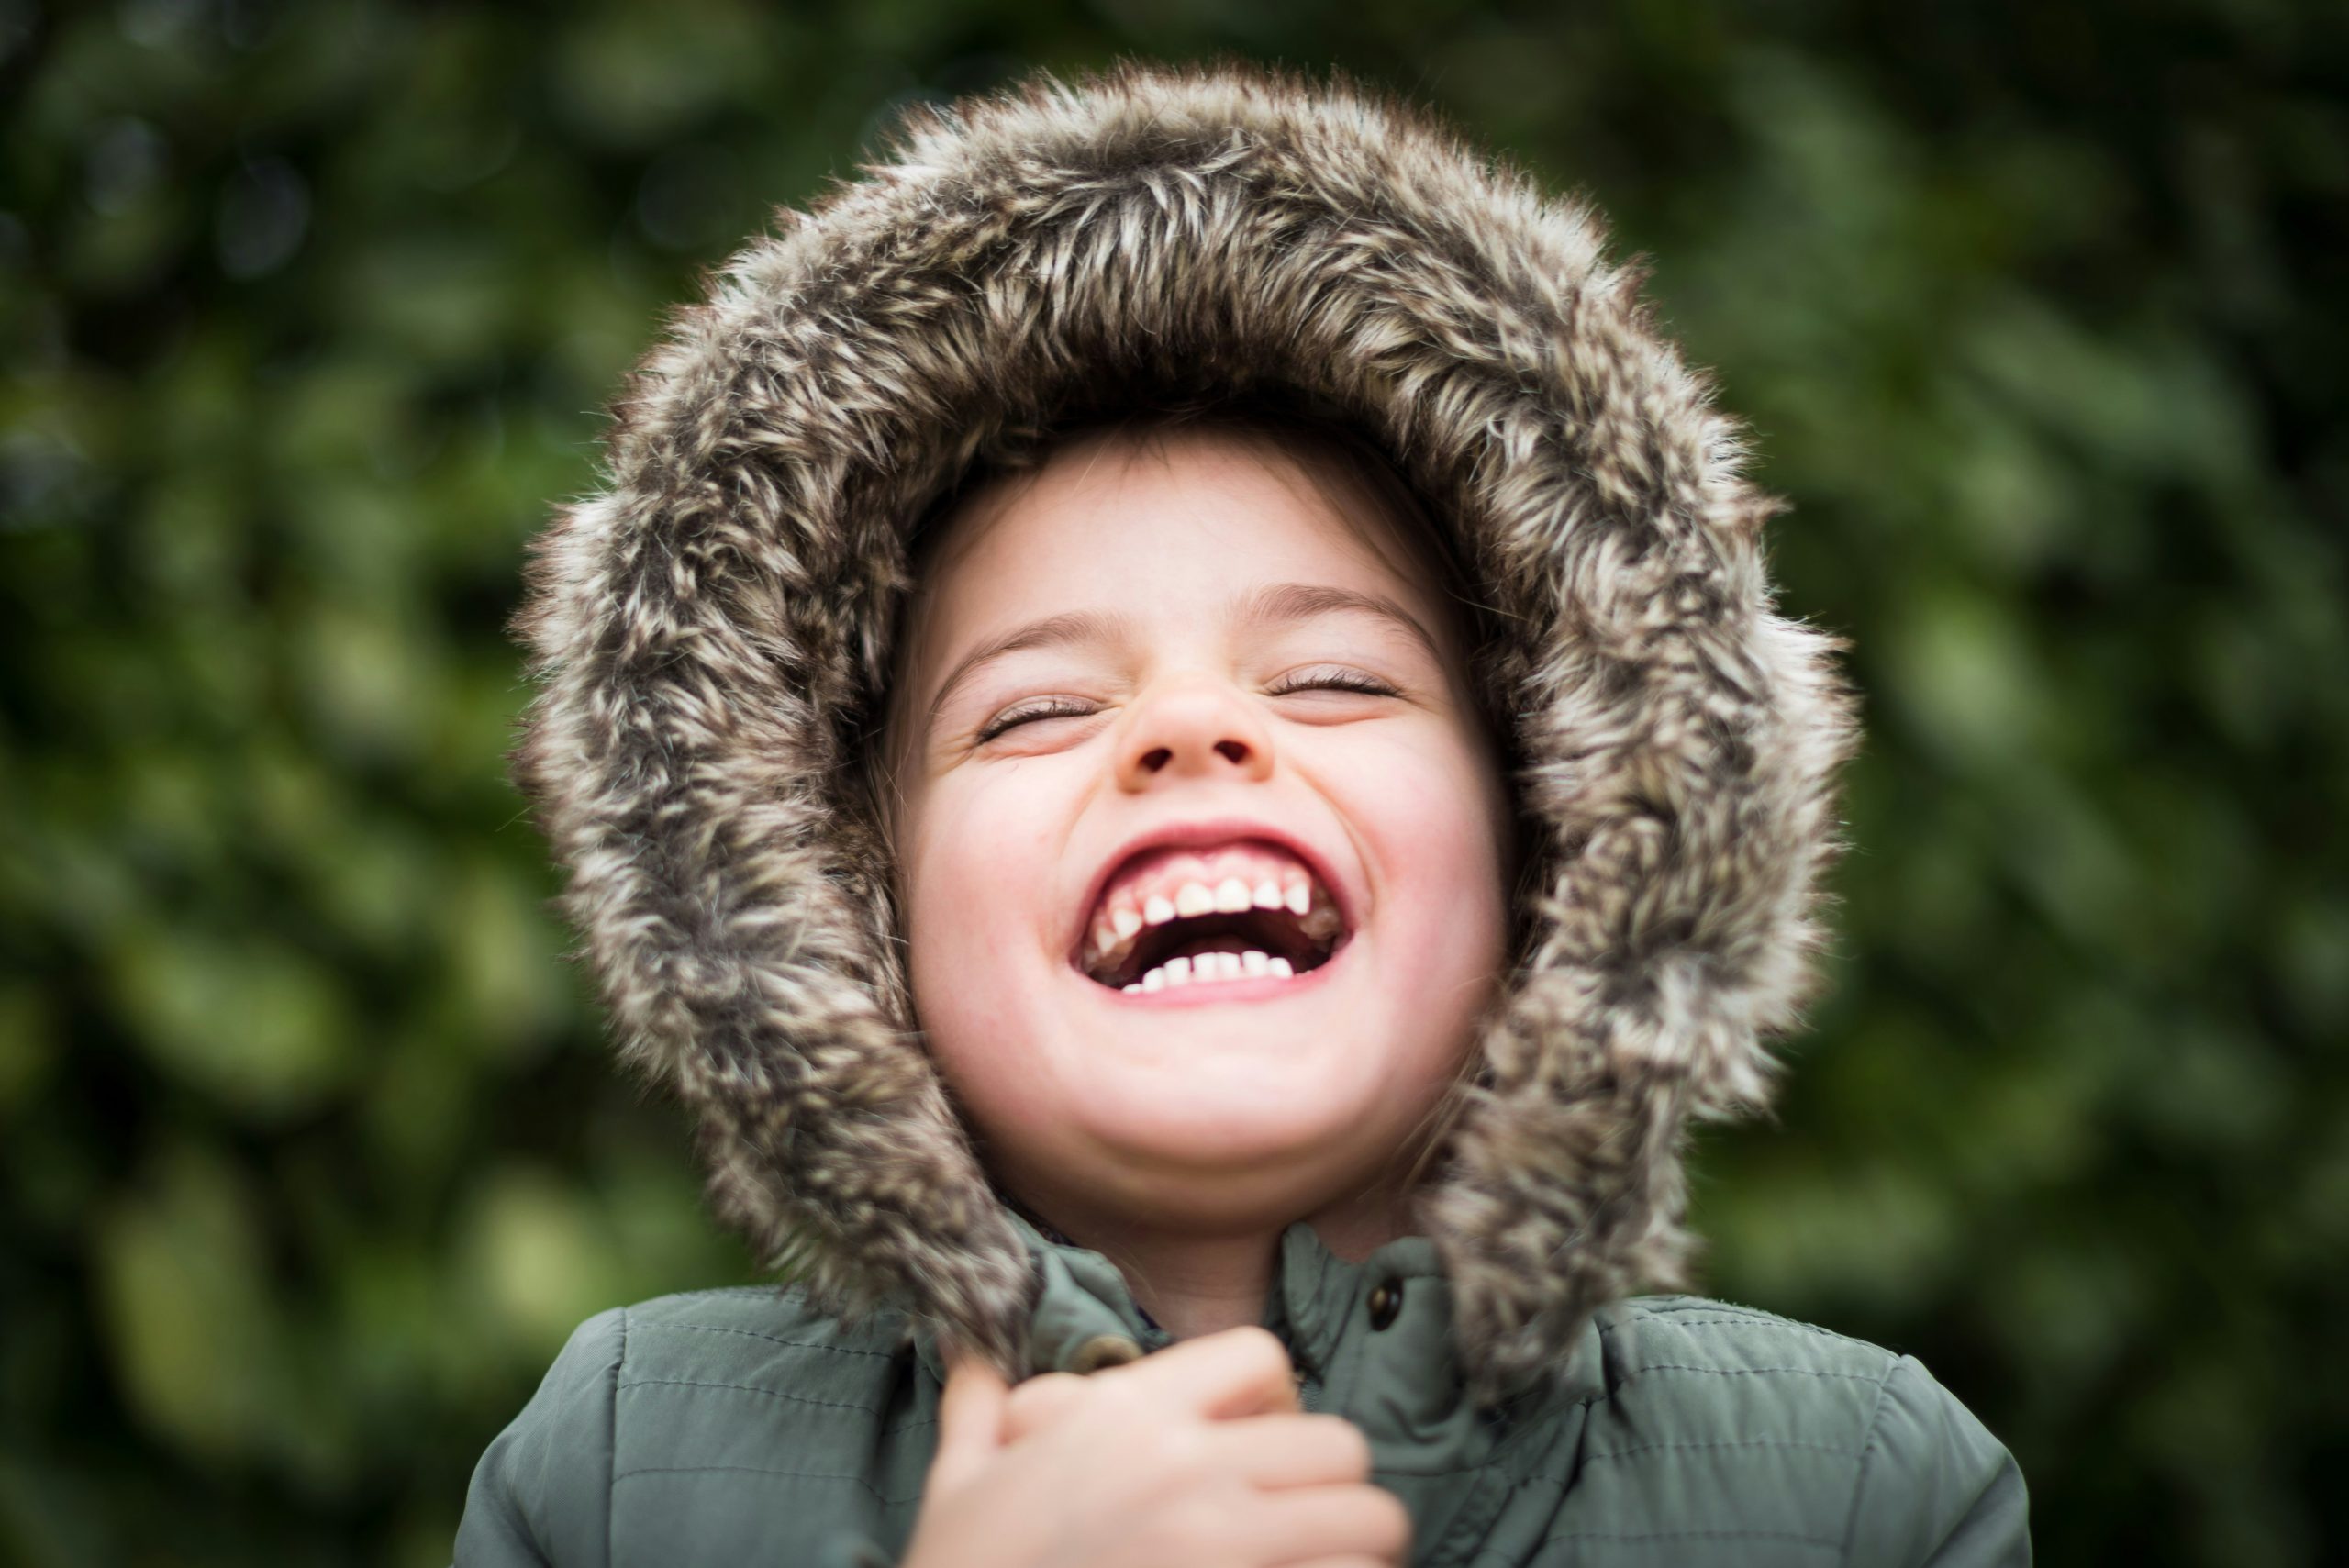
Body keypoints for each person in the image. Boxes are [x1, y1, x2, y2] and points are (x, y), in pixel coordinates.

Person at [454, 60, 2031, 1568]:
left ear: (1554, 851)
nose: (1190, 726)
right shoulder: (610, 1466)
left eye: (1337, 679)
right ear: (849, 908)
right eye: (1038, 708)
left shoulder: (1859, 1487)